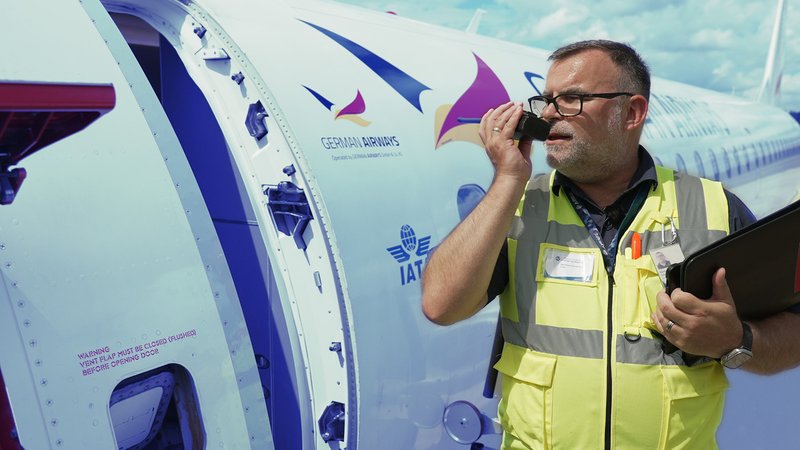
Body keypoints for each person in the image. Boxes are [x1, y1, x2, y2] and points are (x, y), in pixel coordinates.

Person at [421, 40, 800, 450]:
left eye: (571, 99)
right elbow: (441, 305)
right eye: (546, 100)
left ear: (632, 112)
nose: (548, 114)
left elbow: (792, 332)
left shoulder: (712, 208)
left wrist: (735, 341)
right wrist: (508, 180)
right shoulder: (516, 209)